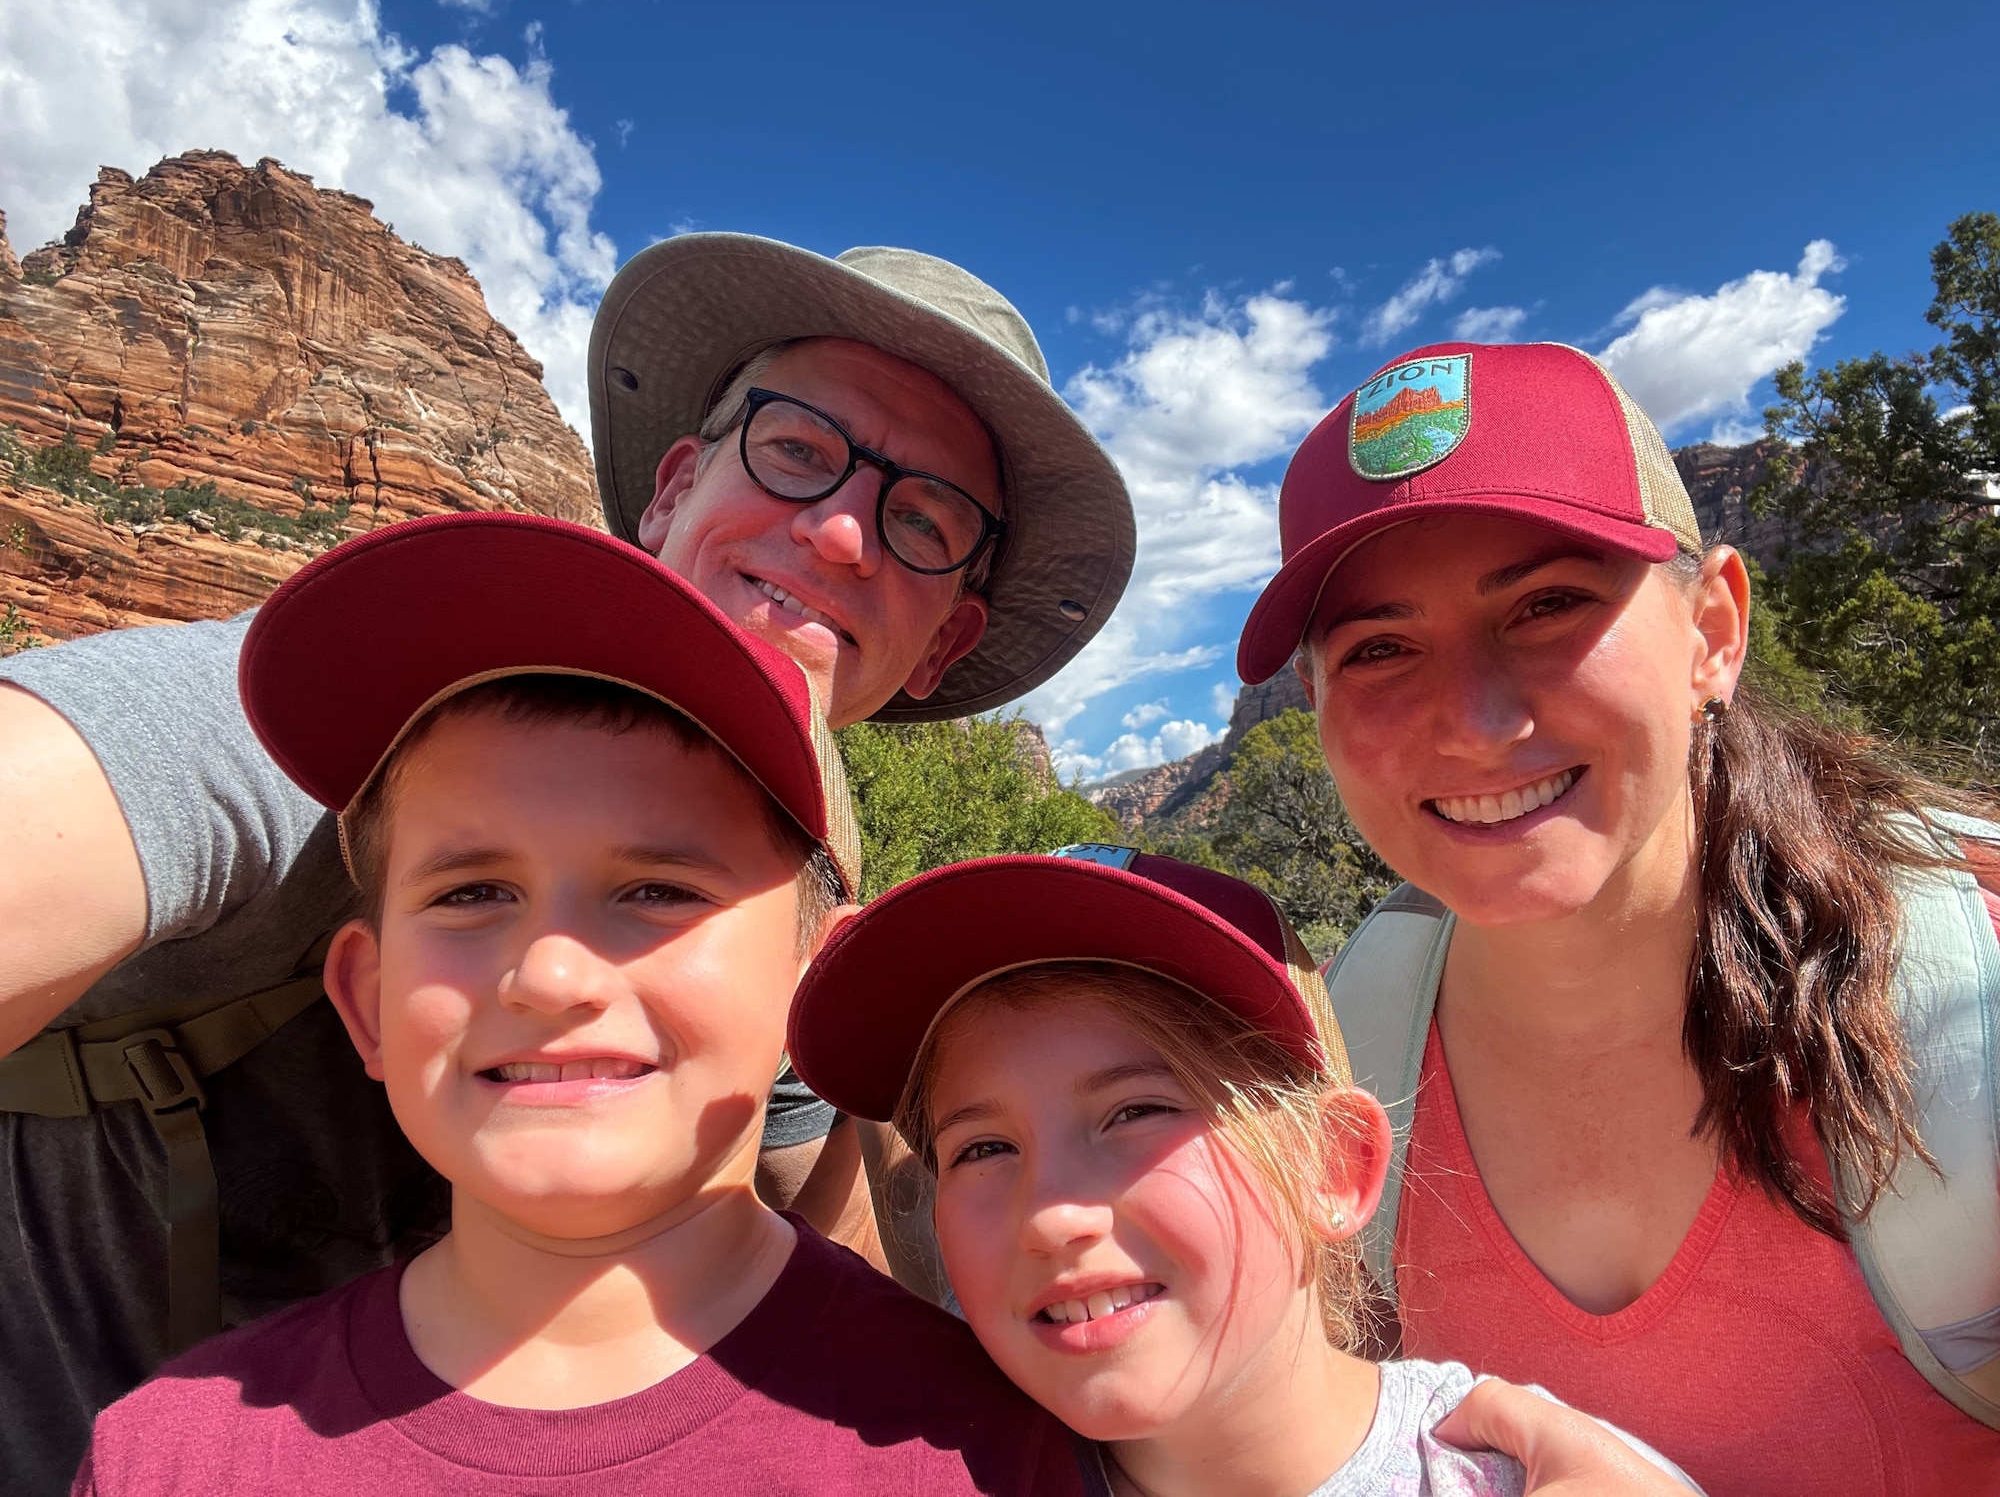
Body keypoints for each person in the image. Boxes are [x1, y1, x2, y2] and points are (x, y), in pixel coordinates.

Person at [0, 235, 1131, 1490]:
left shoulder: (800, 880)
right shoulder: (327, 729)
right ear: (671, 489)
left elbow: (840, 1295)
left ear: (944, 643)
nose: (843, 533)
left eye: (922, 519)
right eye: (799, 450)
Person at [72, 511, 1088, 1495]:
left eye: (657, 891)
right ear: (369, 1002)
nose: (550, 978)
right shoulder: (167, 1460)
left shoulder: (984, 1454)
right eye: (471, 894)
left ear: (812, 980)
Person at [1232, 338, 2000, 1494]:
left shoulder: (1971, 996)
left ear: (1710, 631)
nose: (1475, 723)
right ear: (1314, 704)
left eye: (1546, 605)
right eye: (1381, 648)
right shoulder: (1338, 1067)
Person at [785, 845, 1698, 1496]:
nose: (1051, 1217)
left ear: (1332, 1167)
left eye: (1136, 1111)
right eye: (982, 1147)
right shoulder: (927, 1468)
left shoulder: (1534, 1476)